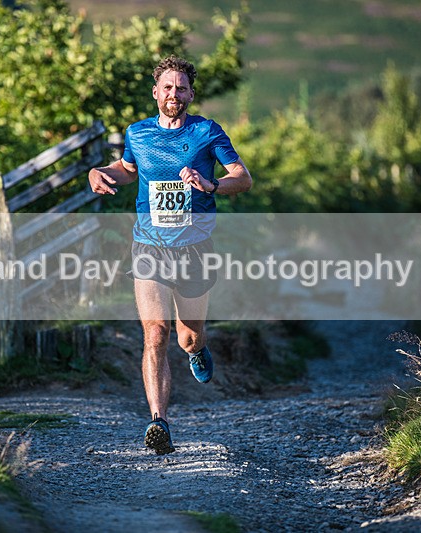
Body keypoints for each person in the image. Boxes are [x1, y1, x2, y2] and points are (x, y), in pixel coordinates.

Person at [88, 55, 252, 455]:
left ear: (191, 94)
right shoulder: (138, 133)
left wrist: (210, 185)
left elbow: (242, 178)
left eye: (181, 88)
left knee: (187, 337)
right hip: (149, 245)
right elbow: (128, 169)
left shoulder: (207, 132)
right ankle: (158, 421)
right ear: (155, 92)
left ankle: (197, 349)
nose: (173, 94)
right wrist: (100, 172)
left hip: (194, 248)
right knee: (155, 332)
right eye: (167, 87)